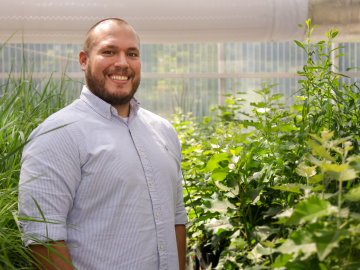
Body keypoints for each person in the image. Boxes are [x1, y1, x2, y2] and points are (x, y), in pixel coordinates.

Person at [18, 18, 187, 270]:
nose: (122, 62)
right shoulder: (58, 133)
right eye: (109, 51)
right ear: (84, 60)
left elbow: (176, 219)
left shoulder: (163, 130)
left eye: (132, 53)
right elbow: (43, 237)